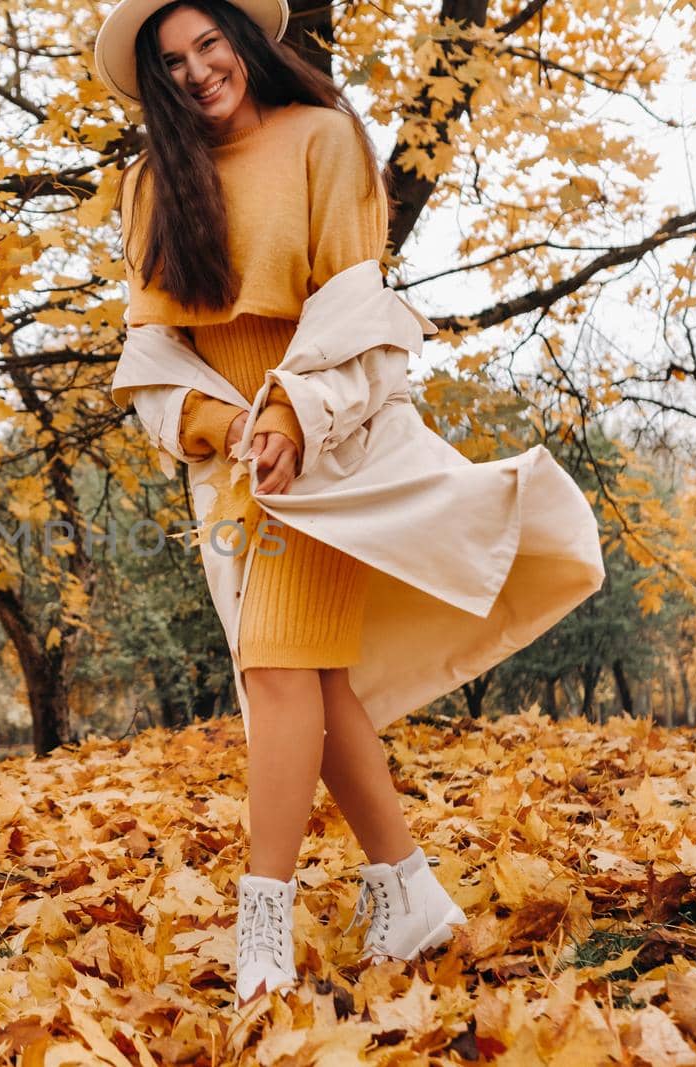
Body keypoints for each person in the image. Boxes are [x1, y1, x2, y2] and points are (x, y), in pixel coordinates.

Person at [93, 0, 471, 1009]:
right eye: (170, 60)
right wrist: (219, 423)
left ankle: (262, 912)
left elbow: (355, 305)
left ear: (245, 43)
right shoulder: (144, 183)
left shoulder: (324, 138)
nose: (196, 70)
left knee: (272, 669)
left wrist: (297, 414)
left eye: (209, 43)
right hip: (224, 457)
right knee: (310, 678)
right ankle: (409, 889)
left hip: (322, 439)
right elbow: (149, 347)